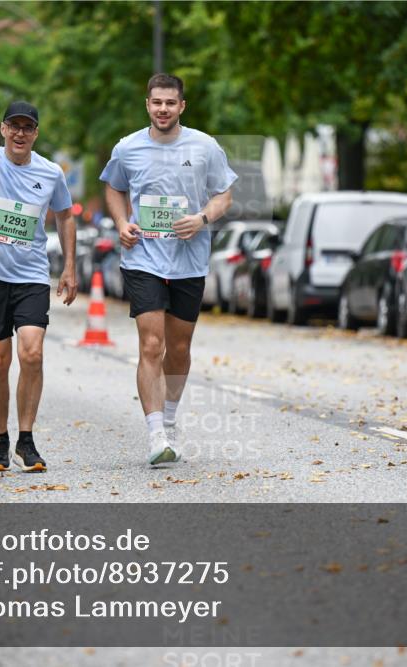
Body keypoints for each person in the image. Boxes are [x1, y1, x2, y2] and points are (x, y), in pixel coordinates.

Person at [100, 73, 236, 466]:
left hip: (189, 260)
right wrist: (122, 223)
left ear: (182, 106)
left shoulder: (205, 146)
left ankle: (171, 419)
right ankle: (156, 432)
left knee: (178, 349)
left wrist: (203, 218)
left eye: (170, 103)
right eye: (156, 102)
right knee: (151, 345)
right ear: (147, 105)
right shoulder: (127, 148)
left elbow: (224, 194)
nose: (163, 109)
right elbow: (112, 186)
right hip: (143, 257)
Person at [0, 62, 78, 473]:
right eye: (14, 126)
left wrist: (69, 267)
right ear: (4, 129)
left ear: (36, 133)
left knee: (33, 353)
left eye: (29, 127)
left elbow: (65, 214)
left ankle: (26, 439)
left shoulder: (49, 172)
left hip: (29, 277)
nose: (21, 133)